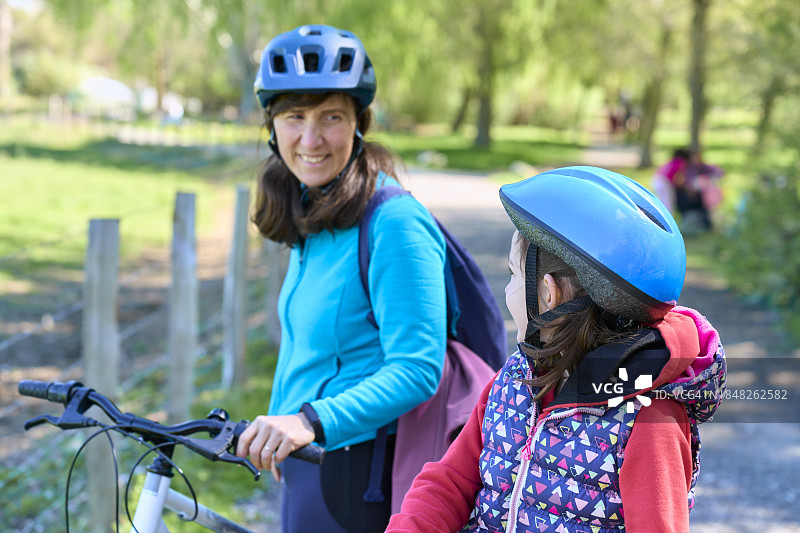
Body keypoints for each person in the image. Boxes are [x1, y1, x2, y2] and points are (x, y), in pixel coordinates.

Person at [386, 166, 727, 533]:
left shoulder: (649, 419)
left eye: (514, 275)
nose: (507, 290)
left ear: (548, 293)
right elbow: (450, 482)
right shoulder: (517, 377)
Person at [236, 24, 447, 533]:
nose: (310, 139)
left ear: (359, 123)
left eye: (331, 116)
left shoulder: (393, 222)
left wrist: (307, 421)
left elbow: (419, 367)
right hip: (306, 465)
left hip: (355, 476)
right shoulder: (315, 214)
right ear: (272, 127)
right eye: (294, 117)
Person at [675, 147, 724, 232]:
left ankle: (707, 225)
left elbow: (719, 172)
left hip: (703, 196)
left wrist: (708, 179)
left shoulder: (704, 167)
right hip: (691, 197)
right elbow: (685, 184)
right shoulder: (688, 170)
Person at [652, 147, 690, 213]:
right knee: (668, 205)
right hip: (665, 182)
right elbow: (678, 178)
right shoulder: (681, 162)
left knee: (662, 202)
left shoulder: (672, 161)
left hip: (656, 180)